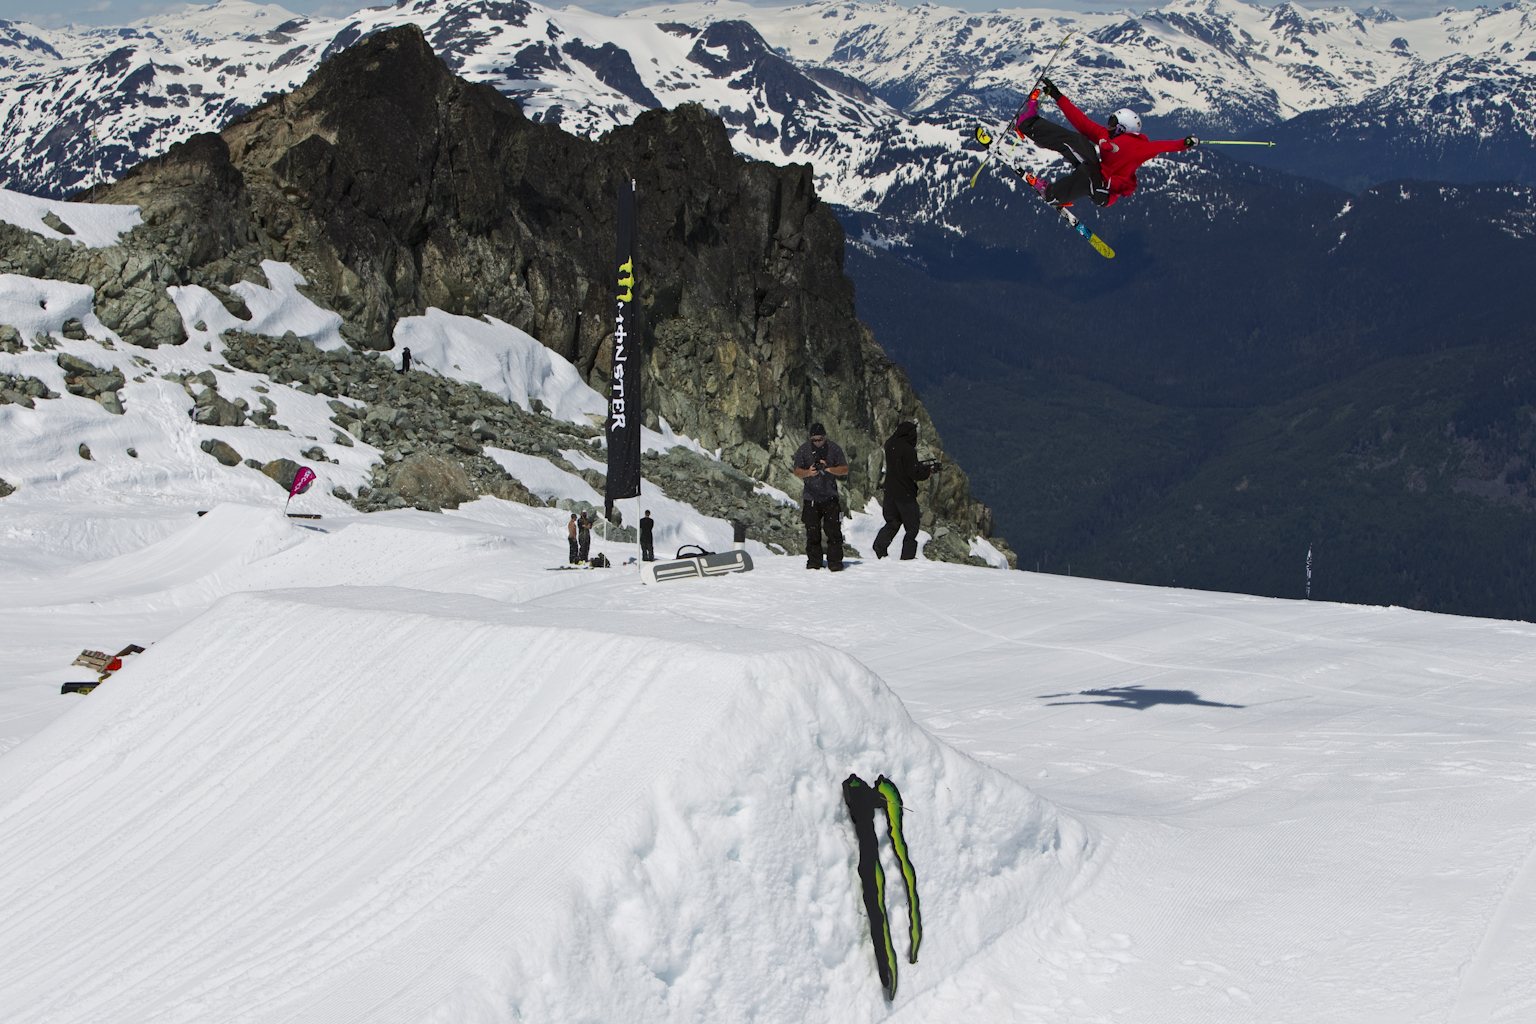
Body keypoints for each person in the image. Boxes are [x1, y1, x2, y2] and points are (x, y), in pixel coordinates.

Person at [1012, 77, 1198, 209]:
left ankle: (1052, 195)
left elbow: (1164, 146)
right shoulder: (1105, 136)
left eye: (1112, 123)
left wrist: (1185, 143)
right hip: (1098, 174)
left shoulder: (1137, 147)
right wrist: (1058, 96)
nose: (1108, 127)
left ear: (1122, 128)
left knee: (1088, 175)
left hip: (1106, 192)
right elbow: (1081, 121)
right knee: (1078, 141)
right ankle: (1028, 124)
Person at [873, 421, 939, 561]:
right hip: (905, 495)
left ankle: (880, 545)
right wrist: (929, 471)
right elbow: (914, 473)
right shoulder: (908, 450)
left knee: (893, 522)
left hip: (889, 492)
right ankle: (907, 558)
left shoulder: (890, 445)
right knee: (912, 527)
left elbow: (901, 466)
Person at [792, 422, 850, 571]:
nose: (817, 443)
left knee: (834, 531)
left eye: (820, 439)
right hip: (810, 497)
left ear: (825, 437)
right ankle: (814, 562)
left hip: (830, 497)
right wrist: (808, 472)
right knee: (812, 532)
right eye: (815, 440)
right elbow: (796, 471)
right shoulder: (804, 450)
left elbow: (844, 470)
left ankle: (835, 562)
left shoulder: (834, 448)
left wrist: (829, 468)